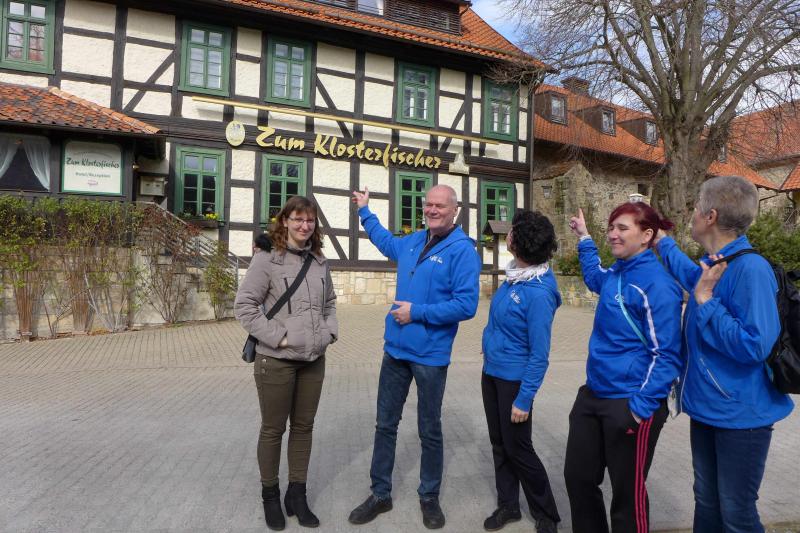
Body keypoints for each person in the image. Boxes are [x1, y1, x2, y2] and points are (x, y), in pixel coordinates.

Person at [654, 175, 794, 532]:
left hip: (741, 417)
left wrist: (706, 303)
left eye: (696, 207)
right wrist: (663, 242)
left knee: (736, 514)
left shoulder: (751, 269)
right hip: (708, 408)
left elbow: (755, 345)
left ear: (711, 216)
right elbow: (693, 276)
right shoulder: (717, 262)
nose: (692, 214)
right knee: (707, 502)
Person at [347, 184, 481, 529]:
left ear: (455, 210)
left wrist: (417, 312)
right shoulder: (412, 241)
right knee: (385, 425)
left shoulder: (463, 251)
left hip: (430, 356)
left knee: (429, 429)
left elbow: (466, 305)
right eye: (428, 204)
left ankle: (429, 496)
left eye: (440, 205)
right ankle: (380, 494)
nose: (432, 210)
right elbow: (384, 241)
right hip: (395, 350)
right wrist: (364, 210)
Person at [564, 202, 683, 533]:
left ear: (646, 236)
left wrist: (639, 409)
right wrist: (585, 238)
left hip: (631, 401)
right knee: (578, 478)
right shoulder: (617, 273)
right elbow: (594, 278)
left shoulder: (657, 285)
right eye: (611, 228)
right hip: (593, 394)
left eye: (622, 228)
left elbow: (667, 354)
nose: (613, 235)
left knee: (627, 496)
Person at [234, 196, 337, 531]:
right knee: (273, 429)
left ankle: (297, 494)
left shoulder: (319, 261)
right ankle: (270, 495)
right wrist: (278, 338)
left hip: (313, 360)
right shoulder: (267, 259)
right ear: (285, 221)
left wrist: (329, 333)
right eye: (298, 219)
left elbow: (330, 303)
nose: (304, 226)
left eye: (310, 220)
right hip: (276, 360)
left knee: (304, 427)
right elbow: (244, 306)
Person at [480, 210, 561, 533]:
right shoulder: (517, 274)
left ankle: (546, 514)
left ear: (520, 242)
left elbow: (540, 355)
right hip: (492, 372)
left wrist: (524, 398)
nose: (508, 234)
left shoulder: (538, 293)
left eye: (513, 231)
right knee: (500, 444)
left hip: (514, 382)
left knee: (519, 449)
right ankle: (508, 506)